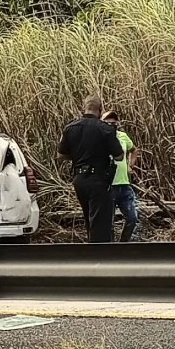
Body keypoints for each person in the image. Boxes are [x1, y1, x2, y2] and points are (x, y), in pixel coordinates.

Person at [57, 95, 124, 243]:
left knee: (89, 219)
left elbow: (61, 155)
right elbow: (119, 156)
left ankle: (91, 253)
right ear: (101, 110)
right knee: (101, 223)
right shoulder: (105, 129)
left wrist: (77, 156)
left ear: (84, 108)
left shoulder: (70, 128)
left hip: (79, 180)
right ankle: (100, 258)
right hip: (98, 179)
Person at [101, 111, 139, 242]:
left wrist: (130, 166)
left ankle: (124, 244)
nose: (111, 125)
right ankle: (111, 250)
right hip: (109, 185)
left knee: (132, 218)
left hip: (124, 184)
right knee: (108, 223)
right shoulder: (100, 138)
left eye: (114, 123)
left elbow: (134, 150)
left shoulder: (122, 136)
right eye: (108, 123)